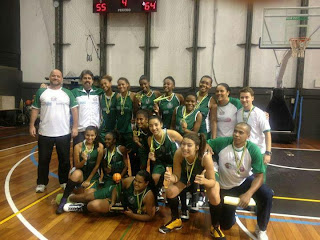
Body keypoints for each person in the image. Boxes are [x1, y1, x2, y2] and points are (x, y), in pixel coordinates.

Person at [207, 122, 273, 240]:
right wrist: (207, 148)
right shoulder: (223, 142)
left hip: (243, 183)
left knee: (267, 193)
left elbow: (259, 176)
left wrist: (248, 194)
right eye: (235, 131)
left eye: (241, 133)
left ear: (248, 136)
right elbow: (205, 144)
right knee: (226, 225)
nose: (236, 135)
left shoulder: (253, 149)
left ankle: (261, 229)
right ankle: (231, 213)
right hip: (224, 186)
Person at [159, 132, 224, 240]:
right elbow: (177, 177)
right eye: (183, 144)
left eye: (189, 145)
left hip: (207, 176)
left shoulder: (205, 157)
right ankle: (176, 220)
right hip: (188, 173)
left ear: (197, 147)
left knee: (213, 194)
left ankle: (216, 227)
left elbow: (212, 181)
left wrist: (204, 181)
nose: (184, 148)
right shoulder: (179, 153)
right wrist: (171, 178)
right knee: (170, 191)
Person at [29, 69, 79, 193]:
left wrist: (75, 127)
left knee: (64, 160)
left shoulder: (68, 93)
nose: (56, 78)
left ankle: (63, 181)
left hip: (63, 133)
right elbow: (35, 109)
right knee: (43, 159)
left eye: (58, 76)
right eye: (53, 76)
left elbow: (75, 110)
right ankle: (41, 182)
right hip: (45, 133)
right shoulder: (42, 91)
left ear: (61, 79)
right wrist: (31, 125)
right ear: (49, 78)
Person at [64, 170, 157, 222]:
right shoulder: (129, 181)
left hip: (120, 204)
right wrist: (112, 201)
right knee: (87, 197)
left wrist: (132, 215)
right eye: (136, 180)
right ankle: (66, 198)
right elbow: (116, 189)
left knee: (91, 205)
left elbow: (149, 216)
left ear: (146, 183)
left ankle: (81, 207)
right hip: (113, 193)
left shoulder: (148, 196)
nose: (136, 183)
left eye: (139, 182)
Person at [56, 126, 104, 214]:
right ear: (84, 135)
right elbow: (77, 166)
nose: (90, 138)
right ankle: (63, 199)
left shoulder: (100, 147)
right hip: (81, 173)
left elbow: (97, 165)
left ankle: (72, 198)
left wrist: (89, 180)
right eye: (87, 135)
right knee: (76, 174)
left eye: (92, 135)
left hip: (92, 176)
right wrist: (84, 160)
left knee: (89, 196)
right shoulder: (78, 146)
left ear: (96, 135)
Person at [237, 87, 272, 164]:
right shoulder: (238, 113)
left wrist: (268, 153)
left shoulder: (260, 114)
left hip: (258, 151)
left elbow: (267, 133)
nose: (244, 99)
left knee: (259, 175)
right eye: (242, 97)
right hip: (243, 151)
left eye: (247, 97)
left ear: (252, 98)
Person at [148, 115, 183, 188]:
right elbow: (155, 157)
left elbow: (184, 144)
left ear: (161, 124)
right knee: (155, 177)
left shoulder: (171, 134)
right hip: (162, 163)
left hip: (175, 161)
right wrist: (153, 159)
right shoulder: (150, 140)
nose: (154, 128)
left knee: (171, 182)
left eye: (156, 125)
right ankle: (159, 193)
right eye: (151, 126)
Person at [72, 70, 103, 146]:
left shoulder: (99, 92)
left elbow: (110, 92)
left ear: (92, 80)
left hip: (95, 130)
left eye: (89, 78)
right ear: (81, 80)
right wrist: (45, 87)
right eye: (85, 78)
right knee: (79, 154)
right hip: (80, 130)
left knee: (95, 154)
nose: (87, 80)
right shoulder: (74, 92)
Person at [115, 77, 137, 175]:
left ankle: (134, 175)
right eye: (119, 85)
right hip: (120, 129)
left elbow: (136, 111)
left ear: (127, 84)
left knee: (132, 154)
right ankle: (123, 174)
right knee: (121, 153)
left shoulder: (133, 96)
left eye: (123, 84)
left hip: (129, 130)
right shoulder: (117, 97)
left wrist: (134, 121)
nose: (121, 86)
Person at [196, 75, 218, 139]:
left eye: (207, 84)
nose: (204, 85)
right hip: (191, 132)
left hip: (204, 133)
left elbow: (213, 121)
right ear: (199, 83)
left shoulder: (211, 100)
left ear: (210, 86)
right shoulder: (191, 96)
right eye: (202, 82)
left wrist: (213, 139)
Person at [99, 75, 117, 142]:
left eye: (105, 83)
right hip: (104, 128)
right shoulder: (100, 97)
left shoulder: (117, 96)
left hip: (114, 127)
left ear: (110, 83)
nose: (104, 86)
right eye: (102, 85)